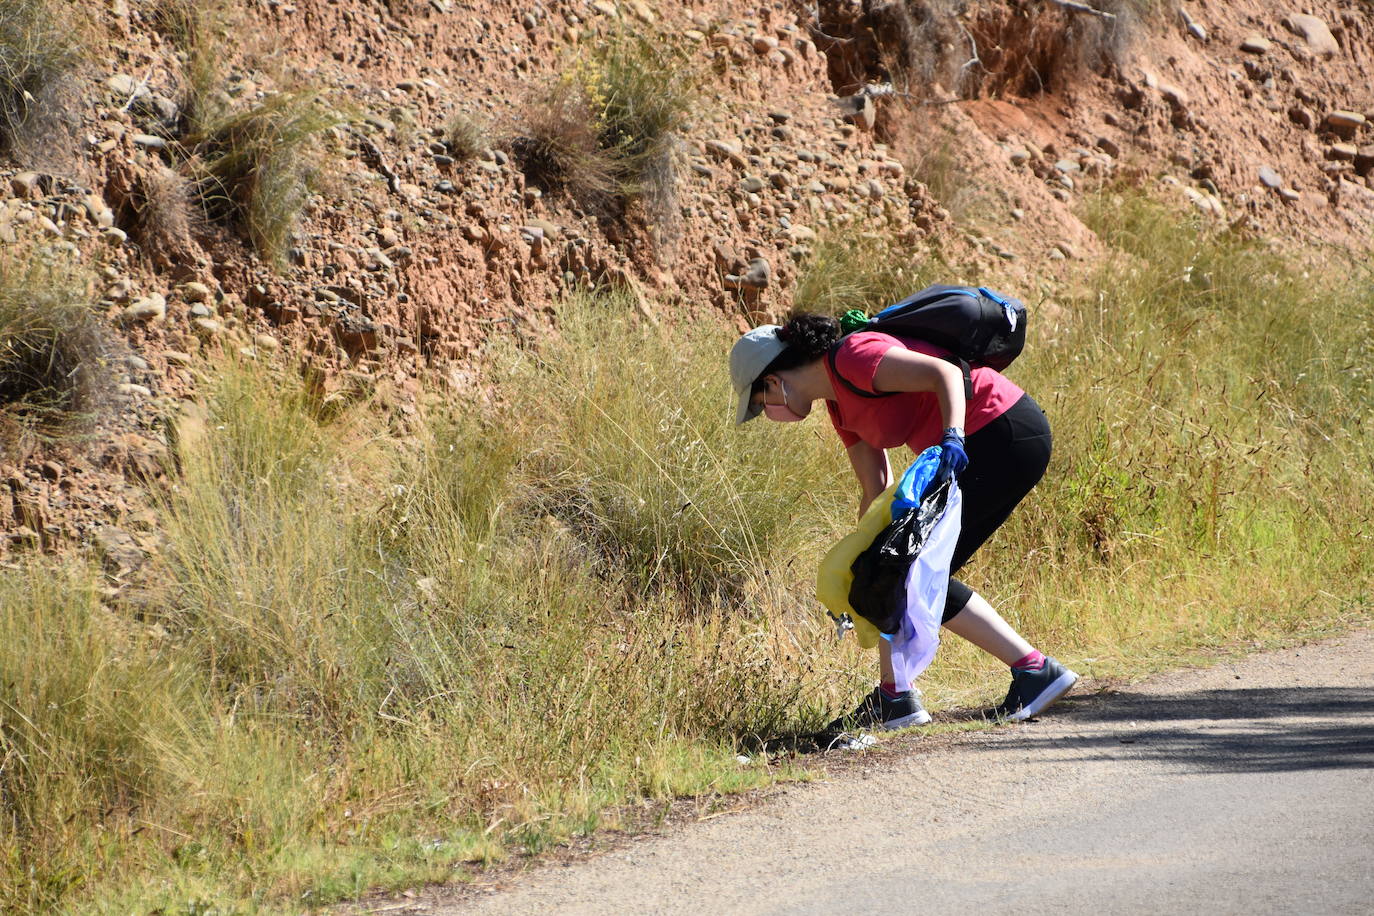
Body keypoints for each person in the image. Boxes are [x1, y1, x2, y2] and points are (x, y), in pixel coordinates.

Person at [729, 311, 1078, 731]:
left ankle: (1031, 671)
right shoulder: (840, 410)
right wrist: (862, 563)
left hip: (1000, 431)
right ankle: (898, 697)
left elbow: (945, 373)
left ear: (772, 381)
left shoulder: (854, 358)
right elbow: (875, 490)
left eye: (760, 401)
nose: (767, 411)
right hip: (982, 441)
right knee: (890, 567)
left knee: (910, 571)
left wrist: (952, 435)